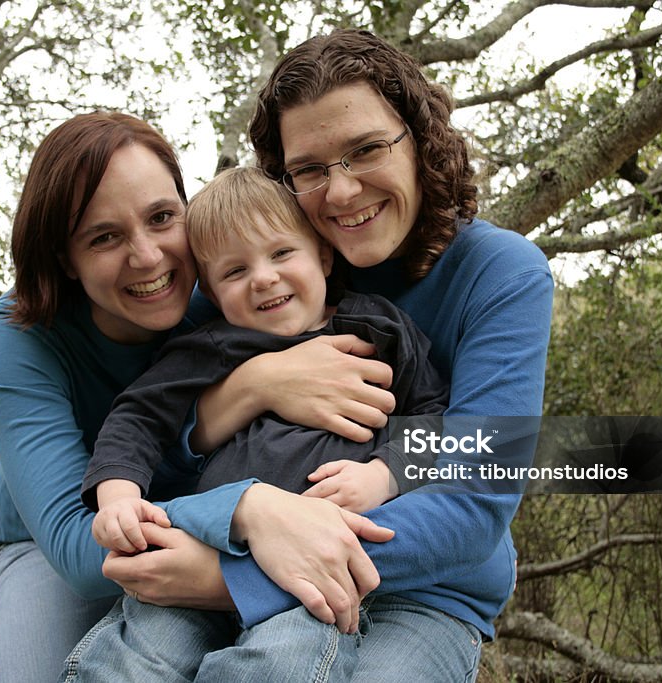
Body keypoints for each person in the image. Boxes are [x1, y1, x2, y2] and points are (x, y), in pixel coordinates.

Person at [77, 28, 554, 682]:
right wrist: (254, 385)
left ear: (419, 138)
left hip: (423, 584)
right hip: (248, 540)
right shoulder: (255, 280)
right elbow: (152, 431)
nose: (342, 191)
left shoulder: (500, 274)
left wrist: (231, 575)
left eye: (366, 150)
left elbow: (475, 493)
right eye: (308, 169)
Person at [0, 112, 396, 683]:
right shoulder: (16, 334)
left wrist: (387, 472)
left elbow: (459, 433)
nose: (148, 258)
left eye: (162, 218)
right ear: (63, 258)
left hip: (203, 511)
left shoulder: (228, 292)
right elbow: (80, 550)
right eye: (104, 237)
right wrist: (247, 494)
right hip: (74, 535)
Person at [71, 167, 447, 681]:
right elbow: (138, 417)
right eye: (234, 271)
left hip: (311, 563)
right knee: (136, 656)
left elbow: (436, 422)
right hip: (204, 546)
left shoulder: (378, 329)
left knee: (284, 660)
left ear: (322, 253)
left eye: (281, 253)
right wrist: (118, 497)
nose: (263, 277)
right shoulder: (210, 347)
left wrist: (383, 474)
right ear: (211, 292)